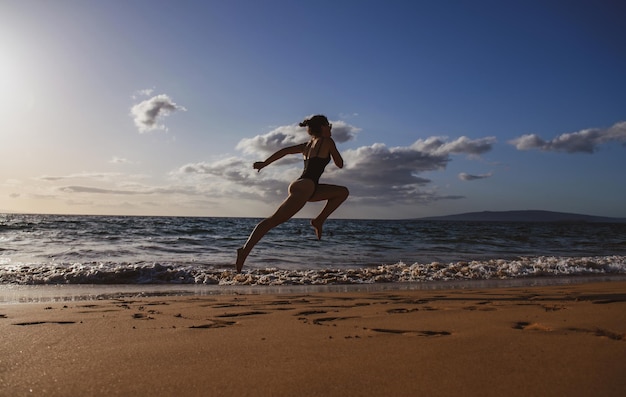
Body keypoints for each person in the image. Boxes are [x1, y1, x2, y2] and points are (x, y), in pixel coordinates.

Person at [235, 115, 349, 273]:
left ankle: (319, 220)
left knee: (342, 192)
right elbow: (340, 164)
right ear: (323, 127)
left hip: (306, 186)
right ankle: (244, 250)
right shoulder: (327, 142)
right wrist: (333, 151)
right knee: (272, 221)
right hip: (306, 187)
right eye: (329, 126)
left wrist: (264, 163)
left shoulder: (307, 145)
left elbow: (285, 151)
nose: (330, 129)